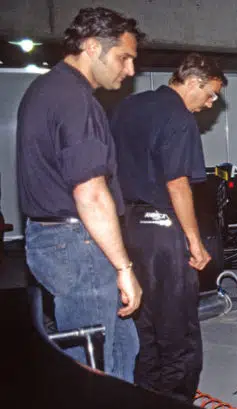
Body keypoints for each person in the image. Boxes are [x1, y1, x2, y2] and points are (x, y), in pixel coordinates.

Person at [16, 7, 144, 382]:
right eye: (124, 57)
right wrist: (124, 268)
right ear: (91, 47)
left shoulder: (46, 89)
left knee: (120, 345)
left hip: (58, 240)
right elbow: (90, 193)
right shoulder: (75, 100)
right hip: (77, 243)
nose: (130, 70)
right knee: (92, 364)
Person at [110, 53, 226, 401]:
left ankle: (146, 399)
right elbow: (177, 185)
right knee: (177, 324)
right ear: (193, 82)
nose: (210, 104)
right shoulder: (178, 117)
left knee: (143, 320)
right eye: (210, 94)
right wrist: (194, 241)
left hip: (127, 226)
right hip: (162, 229)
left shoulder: (128, 106)